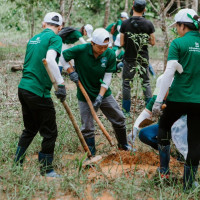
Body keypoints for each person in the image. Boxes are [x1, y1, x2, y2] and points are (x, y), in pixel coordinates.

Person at [60, 28, 133, 156]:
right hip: (84, 94)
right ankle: (91, 153)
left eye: (105, 47)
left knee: (119, 117)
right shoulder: (81, 49)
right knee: (87, 127)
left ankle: (123, 145)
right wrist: (71, 72)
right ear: (92, 43)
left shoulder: (109, 54)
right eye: (100, 47)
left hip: (103, 93)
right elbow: (62, 56)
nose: (103, 50)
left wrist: (100, 96)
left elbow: (107, 77)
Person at [152, 9, 200, 190]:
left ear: (182, 25)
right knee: (195, 140)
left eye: (177, 27)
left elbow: (169, 73)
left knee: (164, 126)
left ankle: (164, 171)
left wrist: (158, 101)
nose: (177, 30)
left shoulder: (178, 43)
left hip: (178, 97)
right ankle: (189, 184)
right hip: (199, 100)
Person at [14, 12, 66, 178]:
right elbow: (50, 60)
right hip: (38, 92)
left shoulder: (33, 39)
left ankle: (17, 162)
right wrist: (61, 85)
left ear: (44, 24)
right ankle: (46, 169)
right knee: (50, 132)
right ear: (60, 27)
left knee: (30, 128)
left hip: (23, 88)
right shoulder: (55, 38)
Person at [127, 75, 187, 162]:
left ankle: (182, 153)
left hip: (181, 129)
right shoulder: (158, 97)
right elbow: (146, 113)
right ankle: (167, 151)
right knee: (144, 134)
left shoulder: (181, 97)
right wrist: (135, 128)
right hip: (164, 127)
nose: (161, 94)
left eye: (164, 91)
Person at [120, 0, 155, 115]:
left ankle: (126, 112)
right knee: (146, 83)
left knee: (126, 84)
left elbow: (121, 43)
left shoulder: (124, 24)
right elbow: (153, 42)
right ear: (144, 9)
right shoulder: (149, 24)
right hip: (143, 58)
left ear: (132, 7)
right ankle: (149, 109)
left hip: (129, 58)